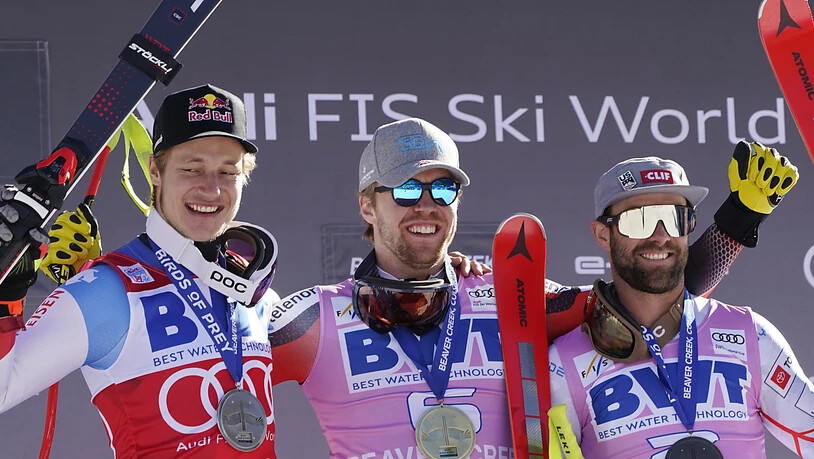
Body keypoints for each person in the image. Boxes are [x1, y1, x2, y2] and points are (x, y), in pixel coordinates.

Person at [265, 117, 797, 458]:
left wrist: (735, 221)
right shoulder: (315, 317)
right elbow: (214, 371)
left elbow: (647, 307)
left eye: (443, 187)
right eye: (406, 187)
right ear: (366, 204)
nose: (426, 204)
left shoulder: (510, 296)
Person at [0, 84, 281, 457]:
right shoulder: (104, 291)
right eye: (191, 168)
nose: (211, 189)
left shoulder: (253, 291)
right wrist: (7, 295)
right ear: (155, 170)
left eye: (227, 172)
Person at [549, 155, 811, 457]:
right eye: (639, 219)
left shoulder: (750, 335)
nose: (661, 236)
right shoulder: (563, 364)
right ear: (602, 234)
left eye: (676, 217)